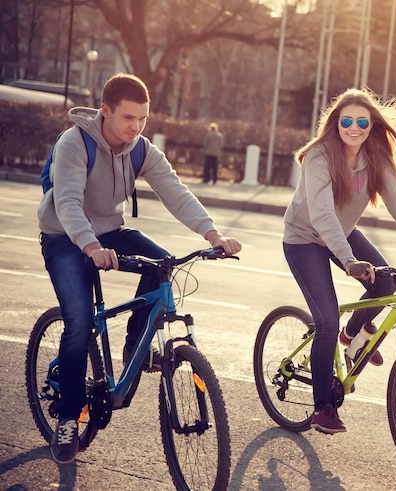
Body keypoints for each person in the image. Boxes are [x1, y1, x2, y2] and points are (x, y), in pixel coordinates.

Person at [37, 73, 242, 465]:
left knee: (161, 264)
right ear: (106, 111)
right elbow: (66, 202)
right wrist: (91, 245)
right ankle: (67, 416)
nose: (135, 127)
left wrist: (212, 234)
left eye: (143, 119)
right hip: (65, 235)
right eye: (128, 118)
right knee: (79, 321)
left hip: (110, 231)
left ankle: (135, 345)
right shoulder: (74, 143)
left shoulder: (140, 150)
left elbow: (176, 191)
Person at [282, 87, 396, 435]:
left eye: (362, 121)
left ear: (370, 125)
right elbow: (322, 215)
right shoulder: (319, 157)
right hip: (305, 239)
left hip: (341, 233)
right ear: (336, 123)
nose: (354, 127)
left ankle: (353, 337)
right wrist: (348, 260)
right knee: (326, 321)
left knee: (387, 283)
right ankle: (323, 408)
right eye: (346, 120)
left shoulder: (374, 157)